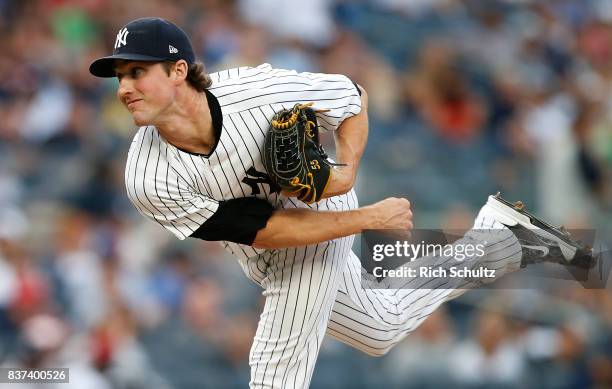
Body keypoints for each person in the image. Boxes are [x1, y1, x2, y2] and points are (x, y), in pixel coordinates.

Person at [89, 17, 595, 389]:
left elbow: (352, 97)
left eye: (137, 72)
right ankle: (503, 239)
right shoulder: (147, 176)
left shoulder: (256, 92)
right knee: (381, 327)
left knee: (276, 359)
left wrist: (348, 170)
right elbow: (266, 231)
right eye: (120, 77)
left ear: (179, 71)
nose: (125, 87)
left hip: (322, 209)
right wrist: (371, 217)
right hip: (268, 242)